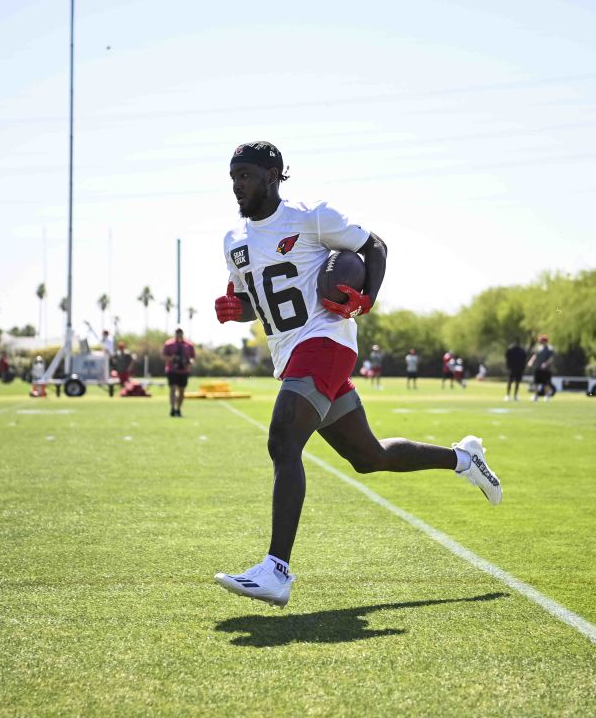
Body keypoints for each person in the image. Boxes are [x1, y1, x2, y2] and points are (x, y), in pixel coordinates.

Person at [211, 141, 502, 608]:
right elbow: (256, 301)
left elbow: (374, 247)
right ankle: (463, 458)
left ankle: (276, 570)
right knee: (369, 456)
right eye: (233, 177)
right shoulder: (235, 241)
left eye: (245, 175)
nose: (237, 185)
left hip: (326, 339)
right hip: (290, 352)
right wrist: (234, 309)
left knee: (283, 439)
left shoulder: (311, 217)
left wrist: (368, 297)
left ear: (273, 176)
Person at [162, 327, 196, 417]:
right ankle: (172, 409)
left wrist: (189, 362)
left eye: (180, 333)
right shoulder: (169, 344)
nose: (179, 335)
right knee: (172, 388)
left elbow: (192, 357)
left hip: (184, 371)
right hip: (172, 370)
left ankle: (178, 409)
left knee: (181, 391)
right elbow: (164, 356)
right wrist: (172, 358)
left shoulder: (189, 345)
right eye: (177, 333)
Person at [527, 335, 556, 401]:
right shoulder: (539, 348)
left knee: (546, 383)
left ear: (545, 341)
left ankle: (546, 396)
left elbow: (551, 358)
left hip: (546, 369)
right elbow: (535, 355)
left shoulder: (549, 348)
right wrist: (531, 361)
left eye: (541, 341)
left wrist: (546, 363)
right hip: (538, 368)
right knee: (536, 383)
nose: (540, 342)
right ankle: (535, 396)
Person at [504, 337, 527, 401]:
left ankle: (515, 395)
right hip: (512, 368)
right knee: (510, 382)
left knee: (517, 382)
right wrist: (508, 366)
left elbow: (524, 360)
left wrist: (523, 368)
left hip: (519, 369)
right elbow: (507, 357)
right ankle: (508, 395)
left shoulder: (522, 350)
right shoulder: (510, 349)